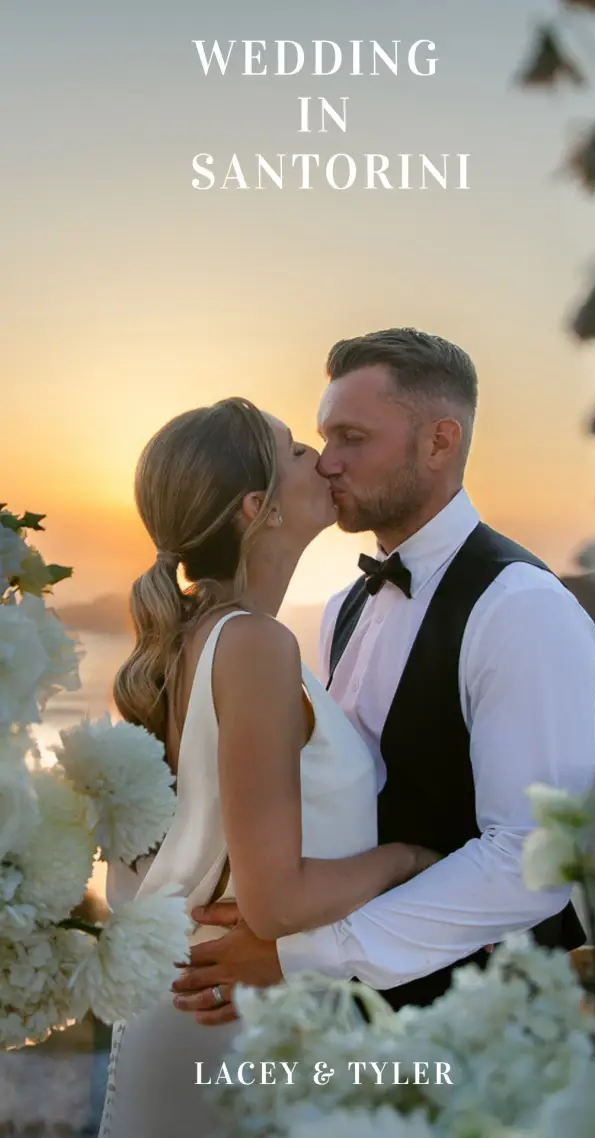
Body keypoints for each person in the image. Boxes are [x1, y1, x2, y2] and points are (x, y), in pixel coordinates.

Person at [171, 327, 595, 1022]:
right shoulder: (343, 607)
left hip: (478, 1032)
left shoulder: (521, 609)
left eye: (353, 438)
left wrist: (296, 958)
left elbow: (534, 860)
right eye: (322, 438)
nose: (328, 463)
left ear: (440, 441)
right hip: (358, 1025)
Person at [98, 396, 438, 1138]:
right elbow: (277, 902)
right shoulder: (253, 645)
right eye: (293, 451)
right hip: (227, 1032)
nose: (320, 458)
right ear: (259, 507)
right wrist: (410, 859)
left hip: (235, 1019)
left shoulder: (210, 637)